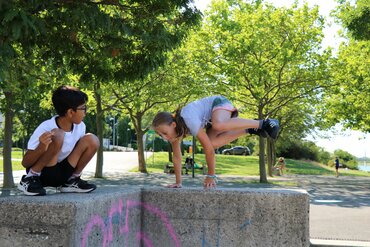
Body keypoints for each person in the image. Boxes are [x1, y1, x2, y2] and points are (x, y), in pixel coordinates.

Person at [151, 95, 280, 189]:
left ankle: (264, 123)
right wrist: (178, 182)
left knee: (217, 127)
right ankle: (250, 129)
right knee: (212, 142)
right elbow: (177, 158)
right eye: (160, 135)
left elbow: (208, 151)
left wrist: (211, 175)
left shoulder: (188, 119)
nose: (164, 137)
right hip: (212, 119)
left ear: (173, 124)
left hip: (218, 104)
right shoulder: (176, 133)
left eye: (164, 133)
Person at [18, 85, 100, 196]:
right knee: (58, 135)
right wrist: (42, 146)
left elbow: (79, 151)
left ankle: (72, 181)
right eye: (83, 108)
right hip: (43, 174)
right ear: (71, 112)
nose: (85, 112)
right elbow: (25, 162)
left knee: (92, 139)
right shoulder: (45, 127)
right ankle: (29, 178)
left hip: (63, 172)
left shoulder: (80, 127)